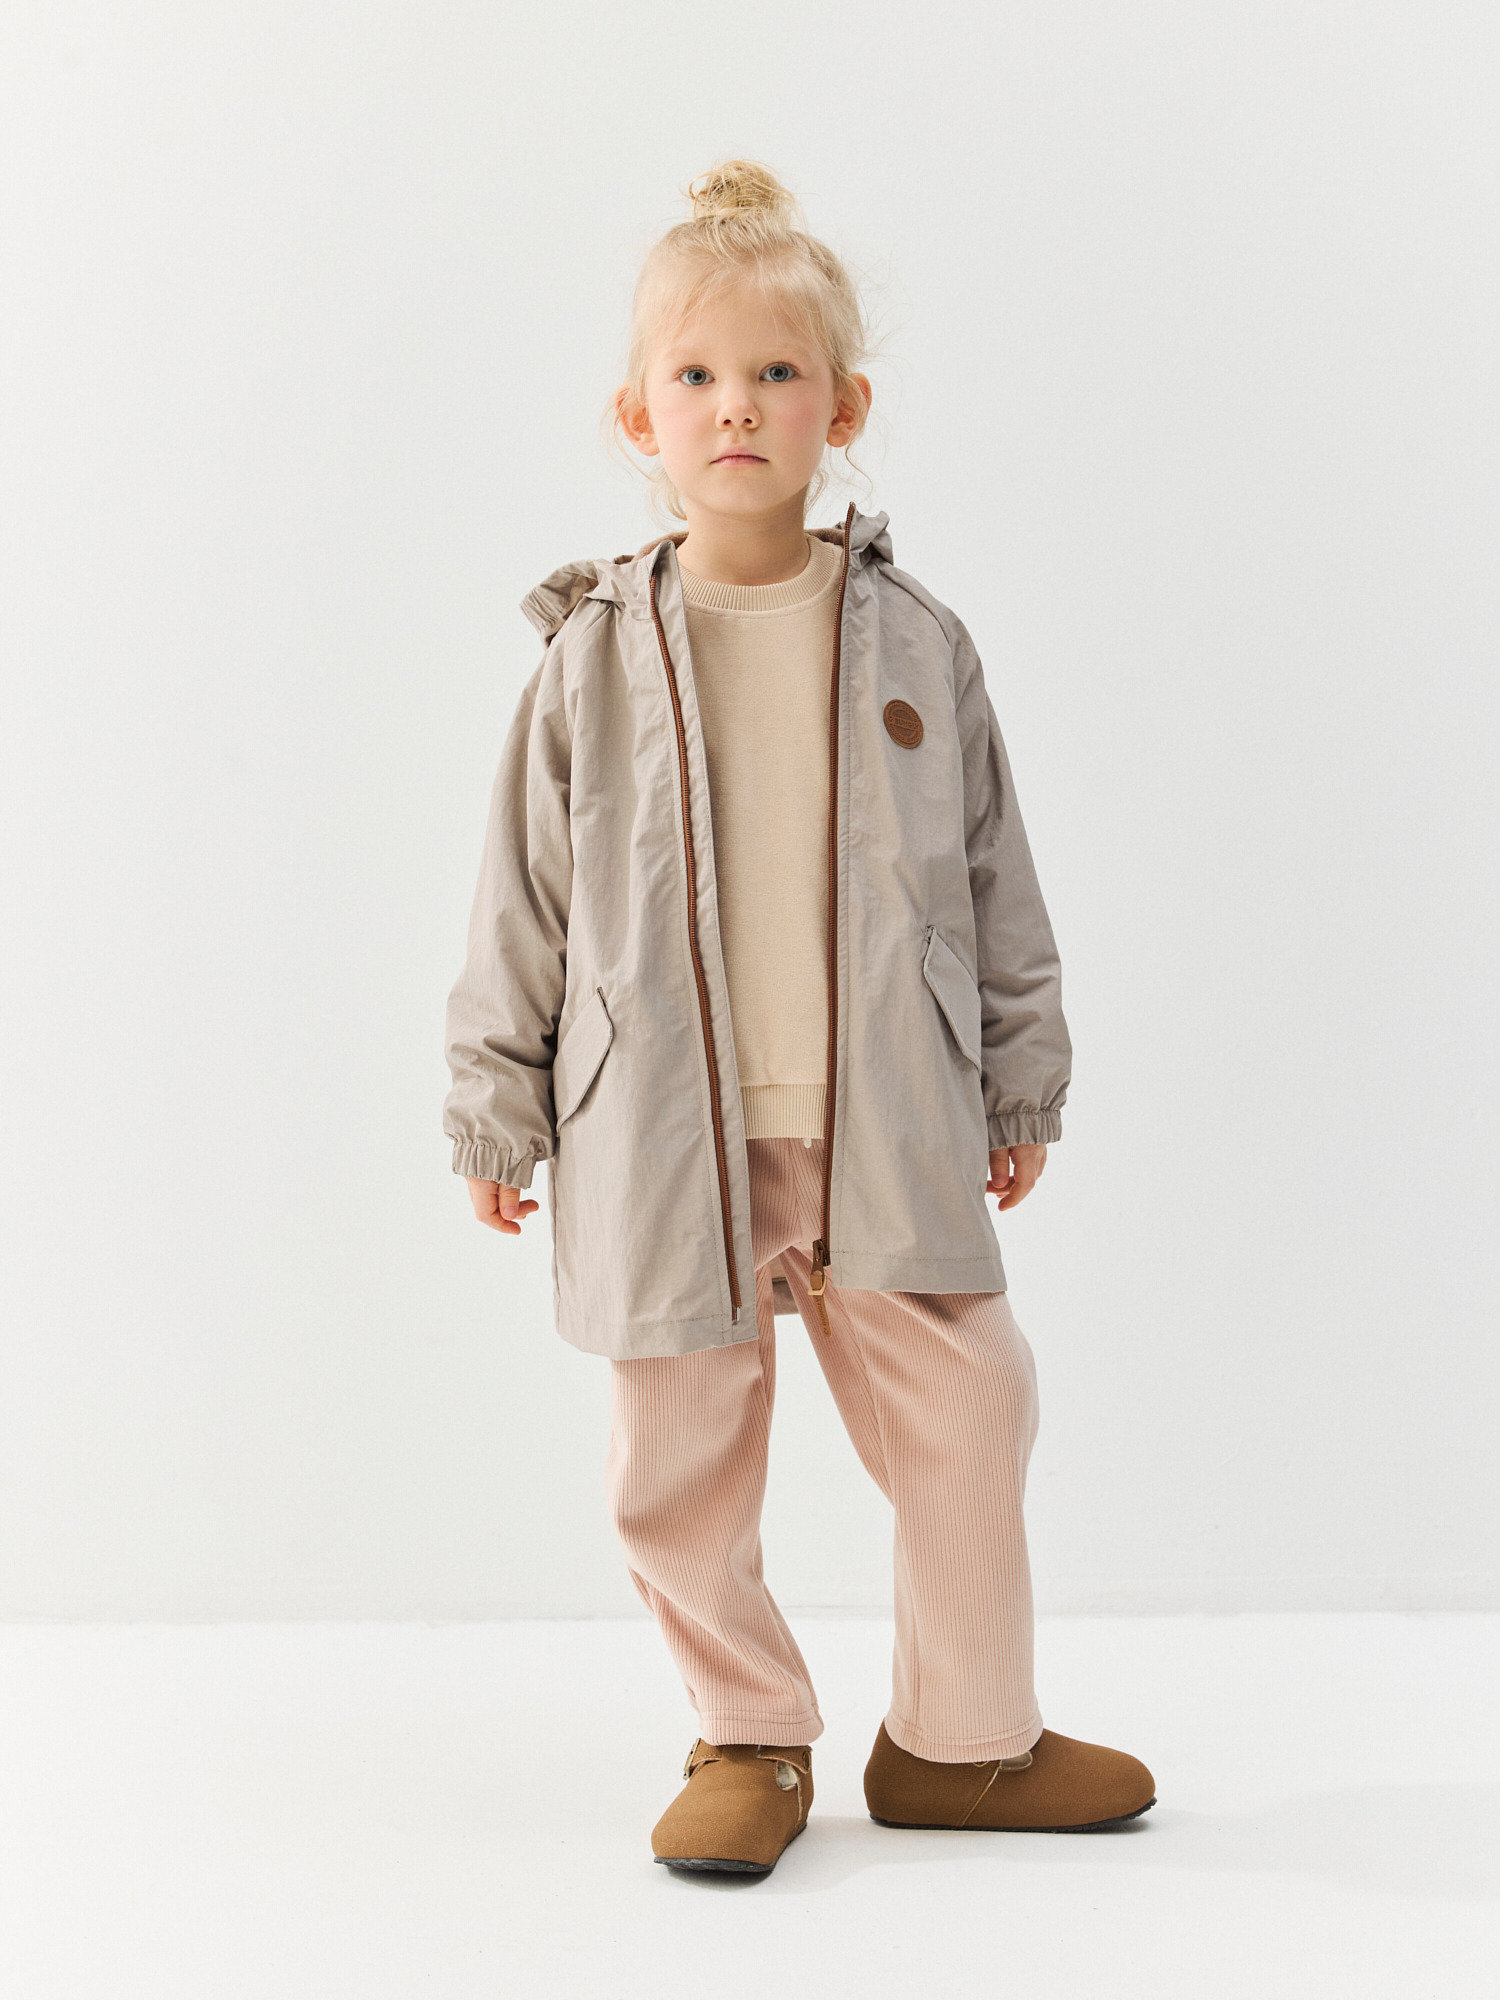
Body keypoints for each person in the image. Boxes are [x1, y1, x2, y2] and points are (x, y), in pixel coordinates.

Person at [443, 158, 1154, 1877]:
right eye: (695, 375)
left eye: (776, 372)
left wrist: (1021, 1080)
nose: (737, 407)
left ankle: (963, 1744)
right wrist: (496, 1107)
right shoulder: (590, 658)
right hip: (655, 1124)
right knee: (678, 1460)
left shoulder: (915, 642)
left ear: (844, 406)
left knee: (970, 1411)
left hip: (881, 1119)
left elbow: (994, 876)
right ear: (639, 415)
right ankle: (748, 1734)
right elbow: (522, 898)